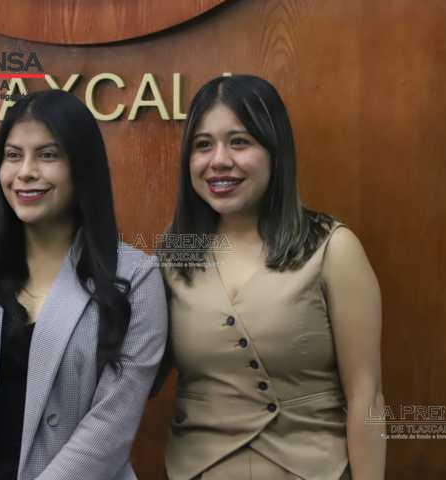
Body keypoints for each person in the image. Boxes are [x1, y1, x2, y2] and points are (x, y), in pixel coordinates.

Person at [0, 90, 167, 480]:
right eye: (13, 155)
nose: (25, 172)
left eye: (47, 155)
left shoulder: (135, 278)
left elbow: (110, 427)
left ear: (82, 167)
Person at [157, 75, 385, 479]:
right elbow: (132, 379)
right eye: (203, 145)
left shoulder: (333, 248)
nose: (218, 160)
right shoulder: (174, 254)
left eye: (239, 142)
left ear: (276, 151)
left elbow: (366, 396)